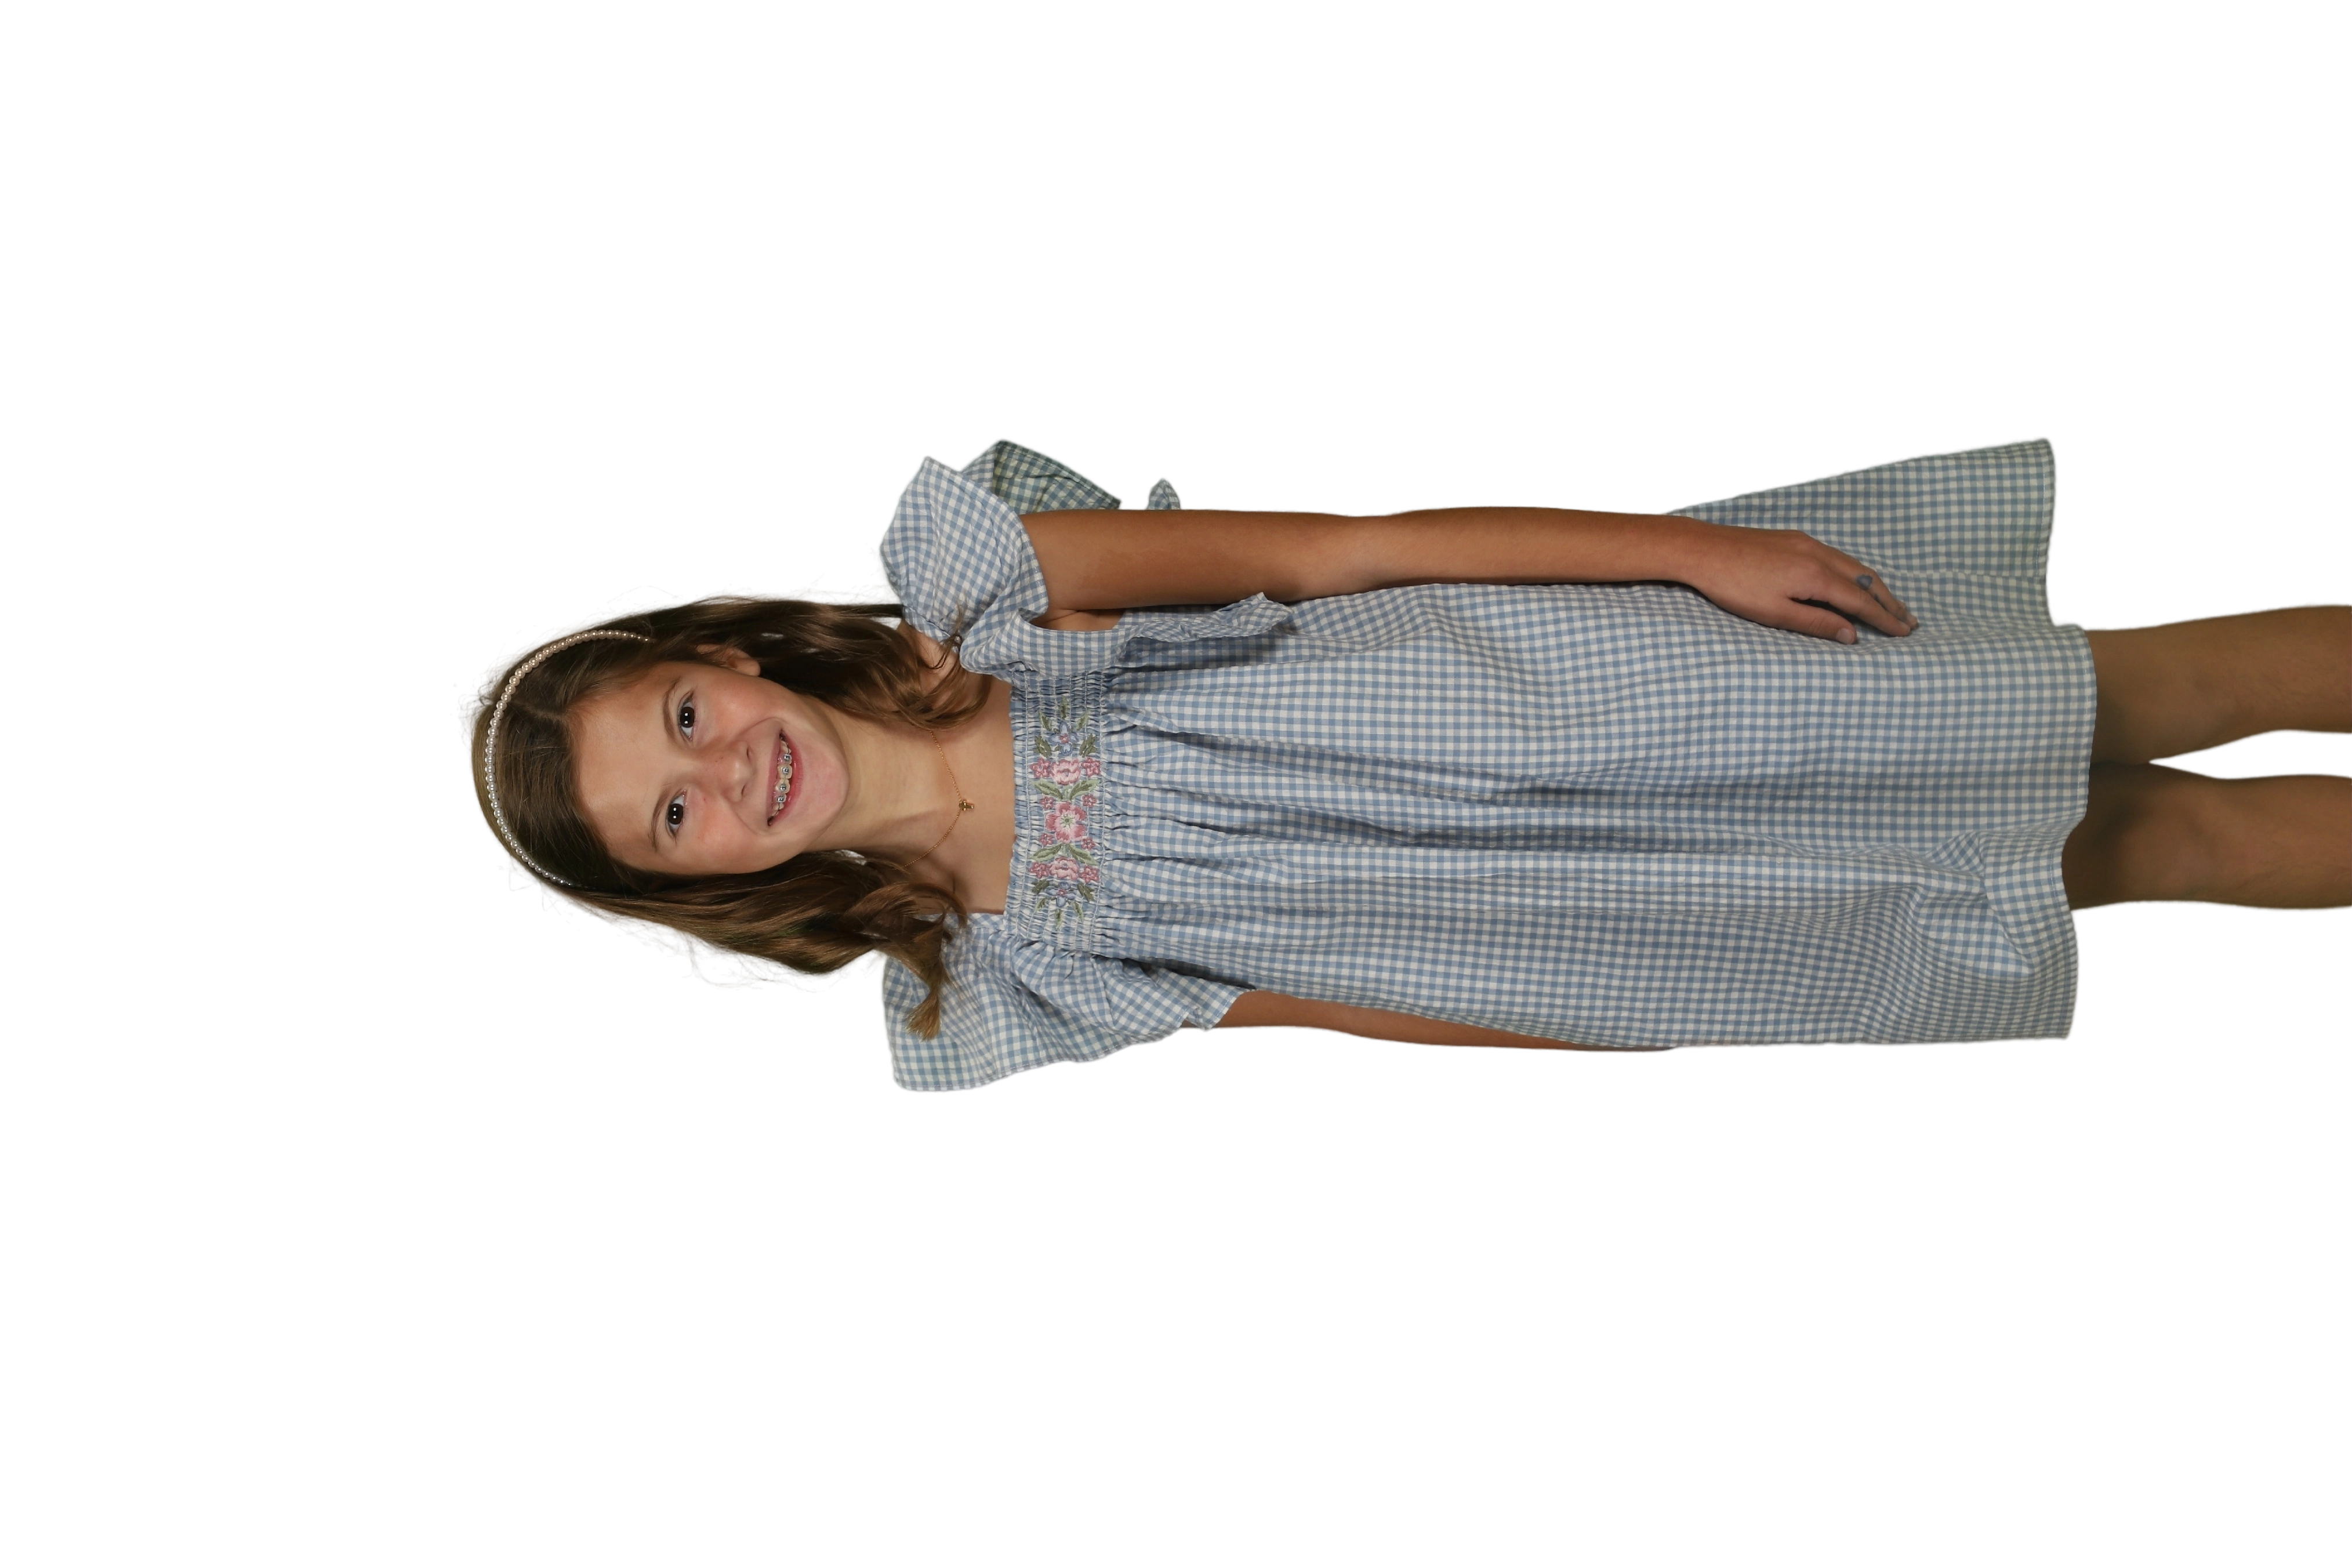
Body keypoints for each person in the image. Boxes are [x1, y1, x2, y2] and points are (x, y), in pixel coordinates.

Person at [450, 433, 2352, 1092]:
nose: (726, 773)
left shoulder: (986, 598)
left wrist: (1688, 554)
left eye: (682, 721)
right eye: (673, 817)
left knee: (2133, 696)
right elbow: (1327, 1005)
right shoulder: (1001, 970)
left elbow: (1336, 553)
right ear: (708, 888)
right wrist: (1587, 1024)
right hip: (1610, 907)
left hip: (1623, 698)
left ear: (716, 656)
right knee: (2145, 857)